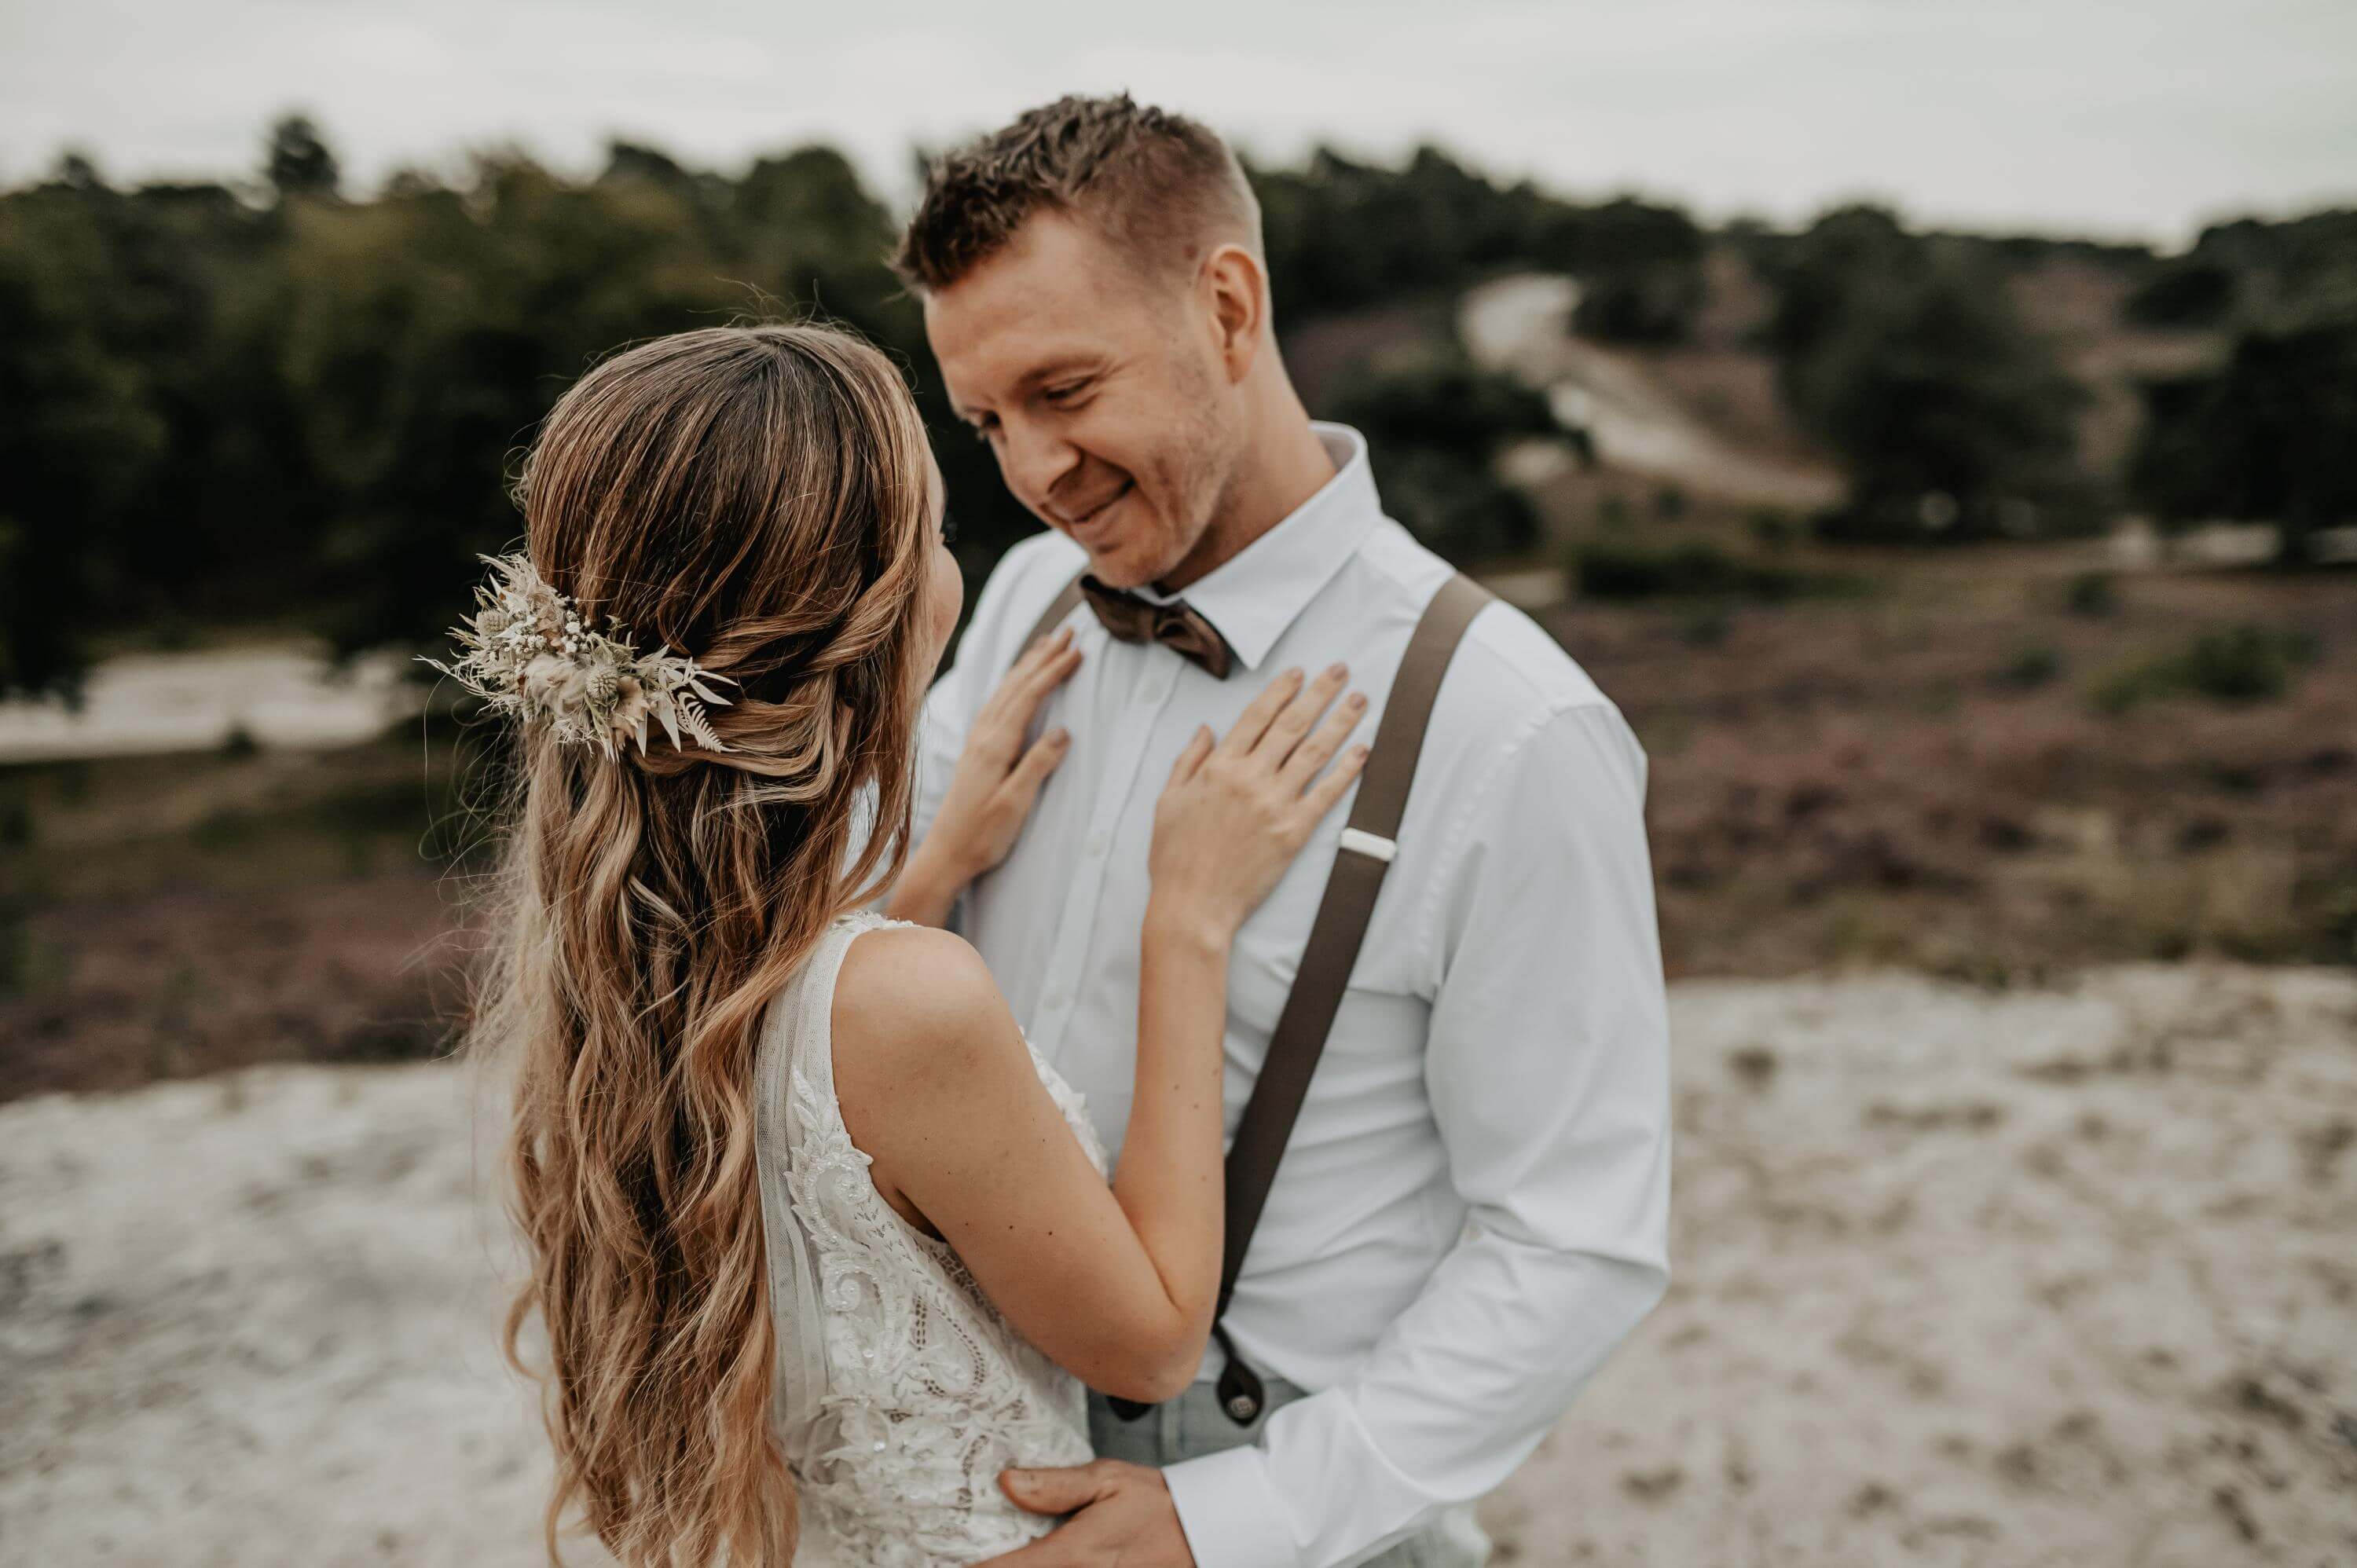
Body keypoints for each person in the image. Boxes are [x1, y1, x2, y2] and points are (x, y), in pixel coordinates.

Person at [892, 95, 1673, 1568]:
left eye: (1066, 389)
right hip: (978, 1453)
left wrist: (1231, 1520)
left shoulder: (1511, 730)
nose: (1033, 473)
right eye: (988, 421)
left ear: (1229, 307)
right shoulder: (1018, 609)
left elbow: (1575, 1239)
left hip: (1275, 1498)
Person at [450, 322, 1370, 1565]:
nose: (958, 569)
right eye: (934, 535)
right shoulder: (908, 1006)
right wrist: (1188, 921)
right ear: (869, 627)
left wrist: (932, 872)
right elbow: (1152, 1344)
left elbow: (801, 1076)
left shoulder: (605, 954)